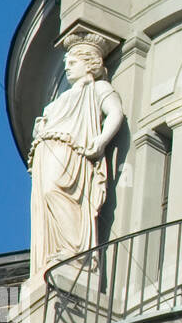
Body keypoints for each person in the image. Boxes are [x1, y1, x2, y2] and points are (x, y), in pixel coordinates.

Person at [29, 33, 124, 282]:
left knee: (55, 191)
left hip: (71, 152)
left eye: (72, 63)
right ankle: (61, 250)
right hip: (47, 152)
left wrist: (102, 140)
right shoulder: (62, 98)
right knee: (45, 202)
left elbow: (115, 112)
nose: (67, 67)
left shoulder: (98, 88)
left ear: (89, 63)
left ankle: (75, 252)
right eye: (67, 63)